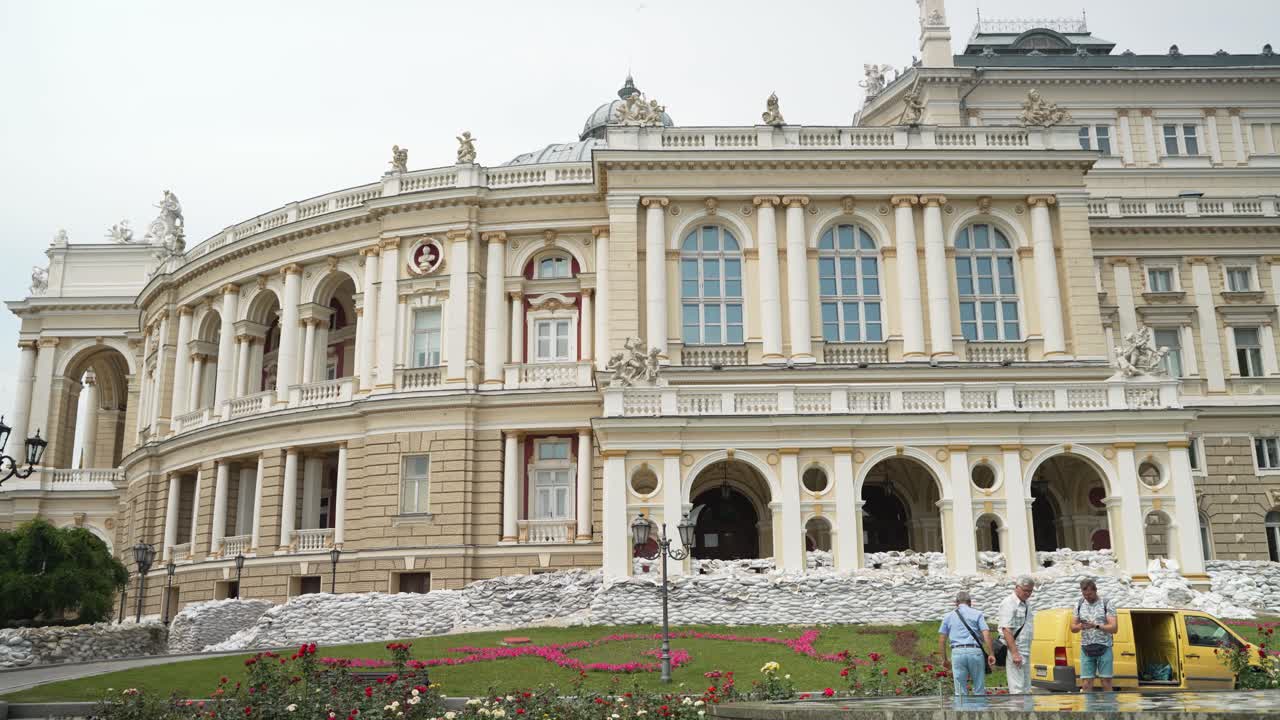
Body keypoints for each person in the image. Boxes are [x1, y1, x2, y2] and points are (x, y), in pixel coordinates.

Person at [938, 590, 996, 695]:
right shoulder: (978, 614)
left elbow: (942, 640)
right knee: (979, 687)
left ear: (956, 603)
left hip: (957, 652)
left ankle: (961, 710)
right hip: (975, 651)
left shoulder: (948, 616)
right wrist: (991, 654)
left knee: (960, 691)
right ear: (970, 602)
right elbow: (986, 634)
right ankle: (980, 710)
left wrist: (944, 659)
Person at [1070, 578, 1118, 691]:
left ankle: (1109, 707)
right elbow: (1073, 627)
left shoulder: (1107, 603)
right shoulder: (1079, 604)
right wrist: (1081, 626)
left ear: (1095, 590)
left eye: (1090, 594)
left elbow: (1114, 628)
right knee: (1086, 683)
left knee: (1105, 682)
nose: (1087, 597)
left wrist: (1096, 626)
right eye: (1085, 594)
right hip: (1086, 648)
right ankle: (1089, 708)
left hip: (1104, 646)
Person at [998, 575, 1036, 694]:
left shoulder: (1026, 604)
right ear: (1017, 588)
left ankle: (1027, 712)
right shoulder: (1009, 603)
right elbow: (1006, 629)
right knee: (1017, 688)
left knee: (1026, 687)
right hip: (1016, 649)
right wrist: (1015, 653)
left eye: (1030, 591)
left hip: (1025, 650)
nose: (1028, 593)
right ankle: (1018, 712)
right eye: (1025, 590)